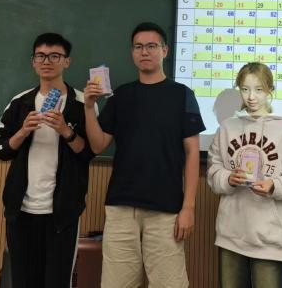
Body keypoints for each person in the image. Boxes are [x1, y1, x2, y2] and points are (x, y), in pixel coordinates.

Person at [83, 22, 205, 288]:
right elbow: (98, 145)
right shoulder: (121, 96)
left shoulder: (182, 95)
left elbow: (192, 153)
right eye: (138, 47)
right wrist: (89, 107)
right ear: (132, 52)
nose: (144, 52)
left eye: (151, 46)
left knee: (169, 284)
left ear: (165, 50)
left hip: (166, 209)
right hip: (121, 206)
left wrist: (188, 207)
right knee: (116, 284)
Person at [0, 33, 95, 288]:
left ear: (67, 61)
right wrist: (22, 131)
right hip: (20, 211)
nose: (46, 61)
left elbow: (89, 152)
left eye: (54, 56)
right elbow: (1, 151)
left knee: (56, 282)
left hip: (62, 213)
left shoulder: (82, 103)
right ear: (33, 62)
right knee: (22, 281)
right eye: (40, 56)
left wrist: (65, 131)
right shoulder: (20, 103)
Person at [207, 62, 282, 288]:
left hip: (270, 239)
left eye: (259, 89)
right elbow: (214, 171)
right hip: (231, 235)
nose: (251, 97)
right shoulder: (227, 128)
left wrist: (274, 185)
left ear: (270, 90)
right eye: (245, 89)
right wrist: (228, 179)